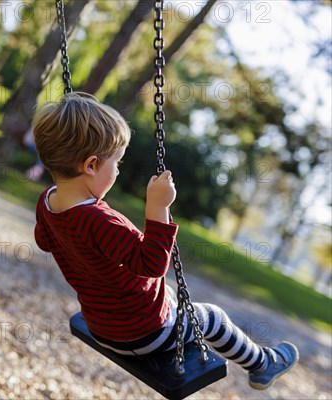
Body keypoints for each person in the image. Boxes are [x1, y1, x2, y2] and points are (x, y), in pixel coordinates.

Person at [32, 92, 298, 390]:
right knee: (213, 317)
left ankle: (183, 317)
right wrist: (157, 208)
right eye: (116, 163)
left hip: (101, 326)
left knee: (168, 294)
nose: (118, 170)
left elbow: (44, 240)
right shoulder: (100, 221)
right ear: (91, 165)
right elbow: (152, 264)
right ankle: (262, 363)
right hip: (145, 334)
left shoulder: (48, 202)